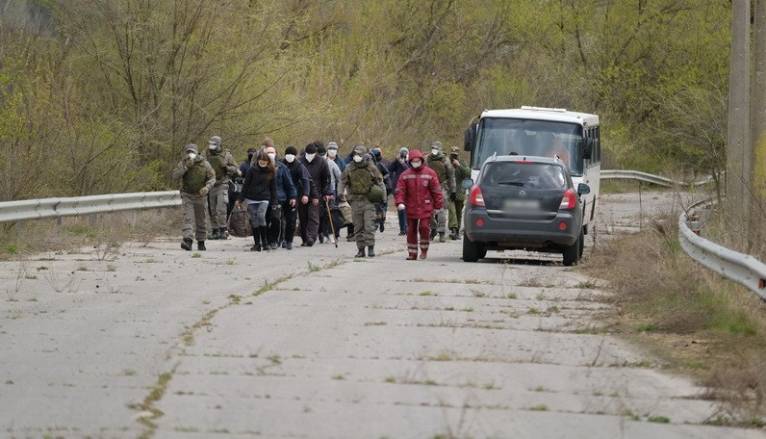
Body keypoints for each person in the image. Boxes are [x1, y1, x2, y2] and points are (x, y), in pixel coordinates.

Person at [395, 149, 444, 260]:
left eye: (418, 160)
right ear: (410, 161)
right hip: (411, 206)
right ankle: (412, 253)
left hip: (425, 206)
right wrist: (400, 202)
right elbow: (400, 190)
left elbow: (436, 191)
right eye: (413, 161)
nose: (416, 162)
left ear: (422, 160)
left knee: (424, 228)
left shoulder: (430, 174)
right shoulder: (405, 175)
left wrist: (438, 205)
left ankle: (424, 250)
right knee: (411, 230)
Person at [338, 145, 386, 258]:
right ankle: (361, 249)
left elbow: (380, 181)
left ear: (364, 155)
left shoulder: (371, 167)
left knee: (369, 226)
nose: (356, 157)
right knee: (358, 227)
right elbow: (342, 181)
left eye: (359, 154)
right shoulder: (349, 167)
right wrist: (340, 192)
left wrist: (383, 197)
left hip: (368, 200)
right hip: (354, 201)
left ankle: (370, 248)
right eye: (355, 154)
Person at [171, 144, 216, 251]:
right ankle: (188, 240)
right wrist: (186, 167)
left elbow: (212, 178)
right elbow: (175, 176)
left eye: (192, 152)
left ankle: (201, 241)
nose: (190, 154)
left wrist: (207, 187)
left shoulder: (205, 164)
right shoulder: (182, 163)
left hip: (201, 196)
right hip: (187, 195)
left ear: (197, 153)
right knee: (188, 218)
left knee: (201, 220)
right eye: (188, 152)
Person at [237, 151, 277, 252]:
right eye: (261, 161)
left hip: (264, 198)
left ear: (268, 162)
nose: (263, 163)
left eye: (265, 162)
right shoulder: (252, 170)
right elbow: (246, 186)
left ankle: (265, 242)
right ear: (258, 161)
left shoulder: (271, 172)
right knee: (254, 220)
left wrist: (274, 201)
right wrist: (240, 199)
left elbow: (273, 188)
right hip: (251, 198)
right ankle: (257, 244)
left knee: (261, 216)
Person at [205, 135, 240, 240]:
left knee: (221, 207)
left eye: (214, 144)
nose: (212, 146)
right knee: (212, 209)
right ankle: (215, 230)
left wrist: (226, 168)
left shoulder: (226, 155)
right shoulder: (206, 154)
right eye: (211, 144)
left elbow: (236, 169)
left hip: (222, 184)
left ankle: (223, 230)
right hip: (211, 184)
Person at [264, 145, 297, 250]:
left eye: (272, 152)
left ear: (276, 153)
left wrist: (292, 196)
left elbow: (289, 184)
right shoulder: (259, 167)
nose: (270, 154)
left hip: (279, 198)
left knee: (275, 219)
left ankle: (274, 240)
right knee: (263, 220)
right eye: (268, 152)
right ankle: (265, 240)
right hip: (263, 198)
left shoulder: (282, 167)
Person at [299, 142, 332, 246]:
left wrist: (326, 192)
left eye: (312, 154)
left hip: (316, 193)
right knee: (303, 217)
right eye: (308, 153)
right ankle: (304, 238)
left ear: (315, 153)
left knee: (313, 216)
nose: (309, 156)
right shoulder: (300, 161)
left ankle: (311, 238)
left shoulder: (321, 162)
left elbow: (326, 178)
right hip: (302, 193)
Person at [426, 140, 456, 242]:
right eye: (433, 148)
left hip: (442, 187)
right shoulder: (427, 159)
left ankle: (442, 232)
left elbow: (451, 176)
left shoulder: (445, 160)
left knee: (441, 211)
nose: (434, 150)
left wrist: (453, 190)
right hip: (429, 187)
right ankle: (433, 229)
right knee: (428, 211)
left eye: (436, 148)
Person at [282, 145, 311, 250]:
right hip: (281, 194)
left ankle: (288, 240)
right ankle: (281, 239)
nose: (289, 156)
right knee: (280, 218)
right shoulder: (281, 164)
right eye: (287, 154)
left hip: (294, 195)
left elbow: (305, 180)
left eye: (292, 154)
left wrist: (306, 194)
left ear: (295, 156)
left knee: (291, 219)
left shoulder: (299, 166)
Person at [318, 144, 342, 243]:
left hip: (330, 193)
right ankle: (322, 233)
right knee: (321, 215)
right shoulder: (315, 163)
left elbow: (340, 177)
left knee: (331, 214)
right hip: (318, 193)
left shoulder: (331, 163)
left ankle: (332, 234)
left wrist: (340, 190)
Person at [448, 146, 471, 240]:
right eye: (452, 155)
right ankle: (453, 229)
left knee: (458, 213)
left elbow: (468, 174)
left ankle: (456, 232)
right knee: (452, 211)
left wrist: (459, 166)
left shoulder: (462, 163)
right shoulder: (447, 163)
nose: (454, 156)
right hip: (449, 192)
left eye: (455, 155)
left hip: (459, 192)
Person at [388, 146, 410, 235]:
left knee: (408, 209)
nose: (403, 155)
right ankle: (402, 229)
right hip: (398, 188)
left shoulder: (411, 162)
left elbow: (409, 170)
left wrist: (404, 163)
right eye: (402, 153)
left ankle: (408, 227)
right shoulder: (397, 162)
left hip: (409, 188)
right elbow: (389, 169)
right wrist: (396, 160)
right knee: (401, 209)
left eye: (405, 153)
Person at [370, 146, 391, 232]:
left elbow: (387, 173)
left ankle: (381, 220)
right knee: (375, 206)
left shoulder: (380, 165)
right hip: (373, 189)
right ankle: (376, 223)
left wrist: (383, 178)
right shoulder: (369, 166)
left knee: (382, 205)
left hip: (382, 187)